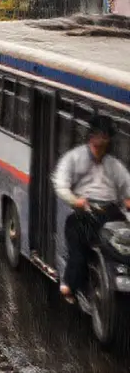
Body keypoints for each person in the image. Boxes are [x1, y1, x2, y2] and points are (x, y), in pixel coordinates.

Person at [53, 115, 130, 304]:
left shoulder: (114, 165)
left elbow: (126, 189)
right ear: (91, 136)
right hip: (84, 210)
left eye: (106, 137)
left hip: (110, 211)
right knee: (78, 248)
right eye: (100, 136)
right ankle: (70, 284)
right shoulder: (74, 158)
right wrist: (74, 200)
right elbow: (60, 183)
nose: (103, 141)